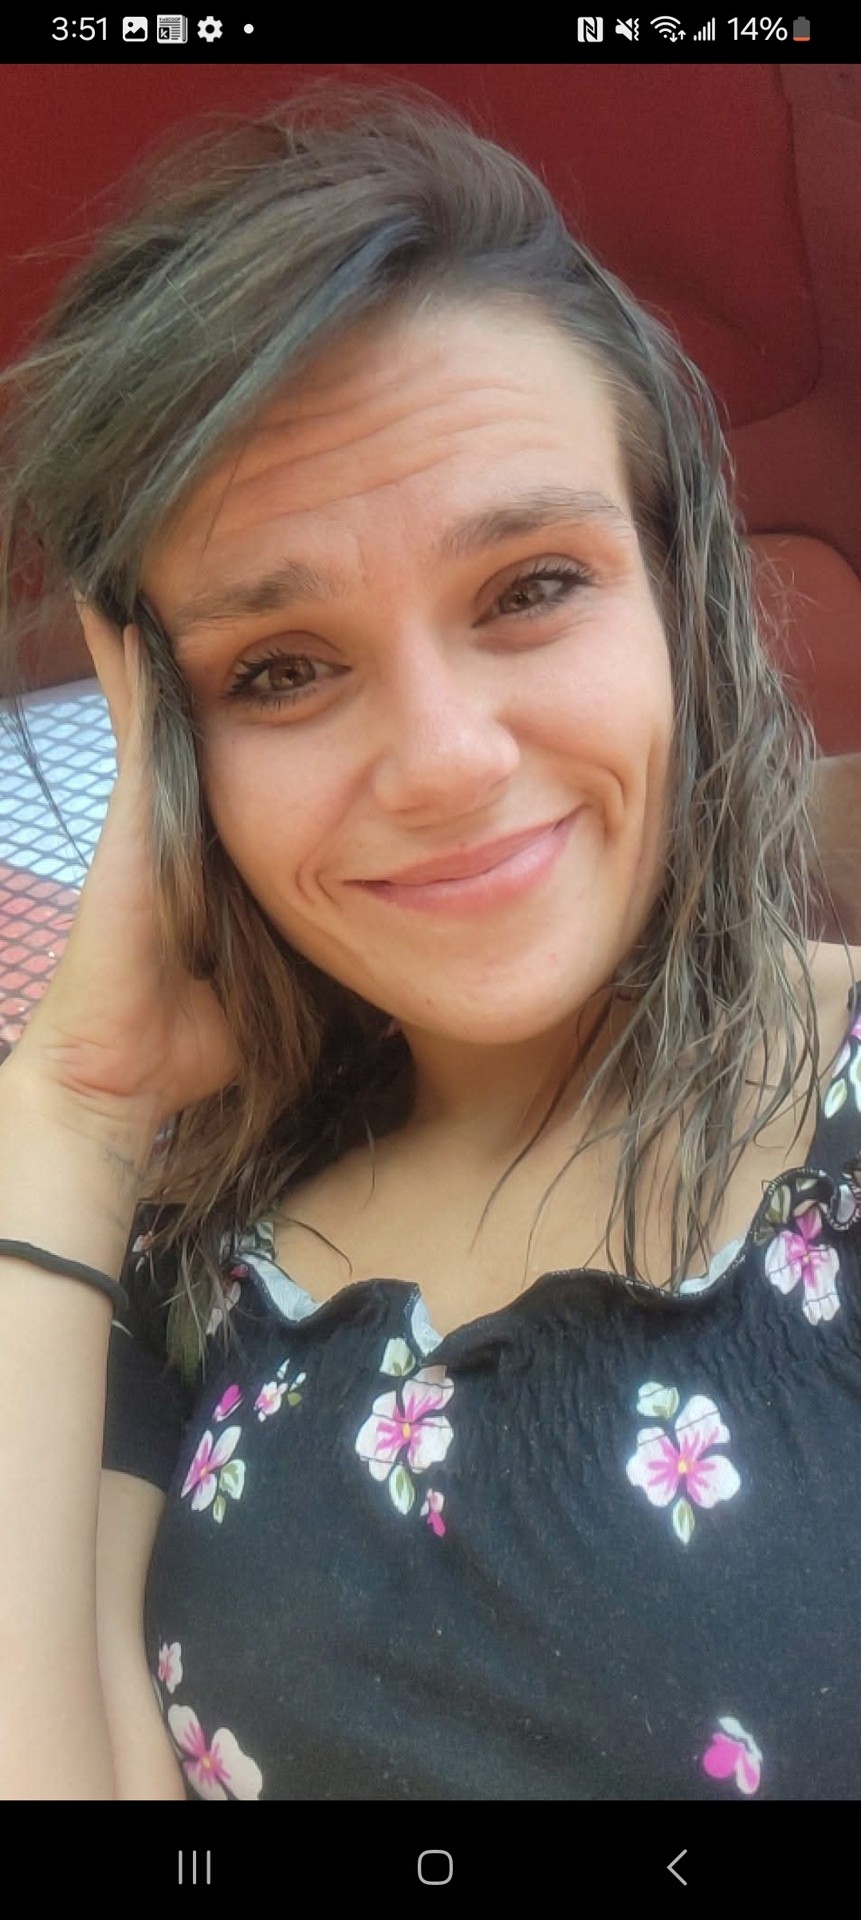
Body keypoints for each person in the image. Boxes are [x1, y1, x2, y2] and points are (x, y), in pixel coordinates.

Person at [0, 83, 860, 1804]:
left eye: (530, 585)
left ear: (678, 600)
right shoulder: (179, 1254)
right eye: (279, 672)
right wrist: (75, 1105)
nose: (448, 761)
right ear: (177, 760)